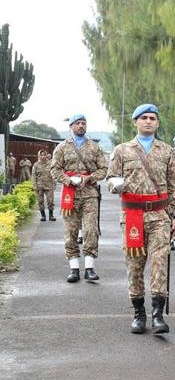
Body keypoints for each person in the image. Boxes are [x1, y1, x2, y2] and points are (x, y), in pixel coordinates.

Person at [106, 104, 175, 334]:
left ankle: (157, 314)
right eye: (144, 118)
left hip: (160, 215)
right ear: (135, 122)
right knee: (135, 266)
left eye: (153, 118)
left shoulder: (167, 151)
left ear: (157, 123)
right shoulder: (122, 150)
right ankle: (139, 313)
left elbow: (173, 186)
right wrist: (115, 185)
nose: (149, 121)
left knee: (160, 263)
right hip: (132, 216)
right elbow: (110, 178)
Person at [50, 114, 107, 282]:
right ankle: (74, 268)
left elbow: (103, 169)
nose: (81, 126)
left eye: (83, 123)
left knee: (91, 230)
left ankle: (89, 268)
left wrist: (89, 178)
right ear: (71, 126)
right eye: (78, 123)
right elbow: (55, 169)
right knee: (71, 232)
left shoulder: (94, 147)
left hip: (90, 194)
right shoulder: (61, 147)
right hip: (70, 195)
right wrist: (68, 180)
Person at [32, 150, 55, 221]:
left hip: (49, 185)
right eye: (41, 155)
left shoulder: (51, 164)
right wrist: (34, 185)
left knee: (50, 201)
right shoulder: (36, 165)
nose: (43, 156)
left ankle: (51, 215)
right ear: (39, 156)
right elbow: (33, 176)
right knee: (40, 201)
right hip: (39, 186)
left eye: (44, 155)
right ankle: (43, 216)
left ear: (46, 155)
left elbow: (54, 174)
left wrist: (54, 184)